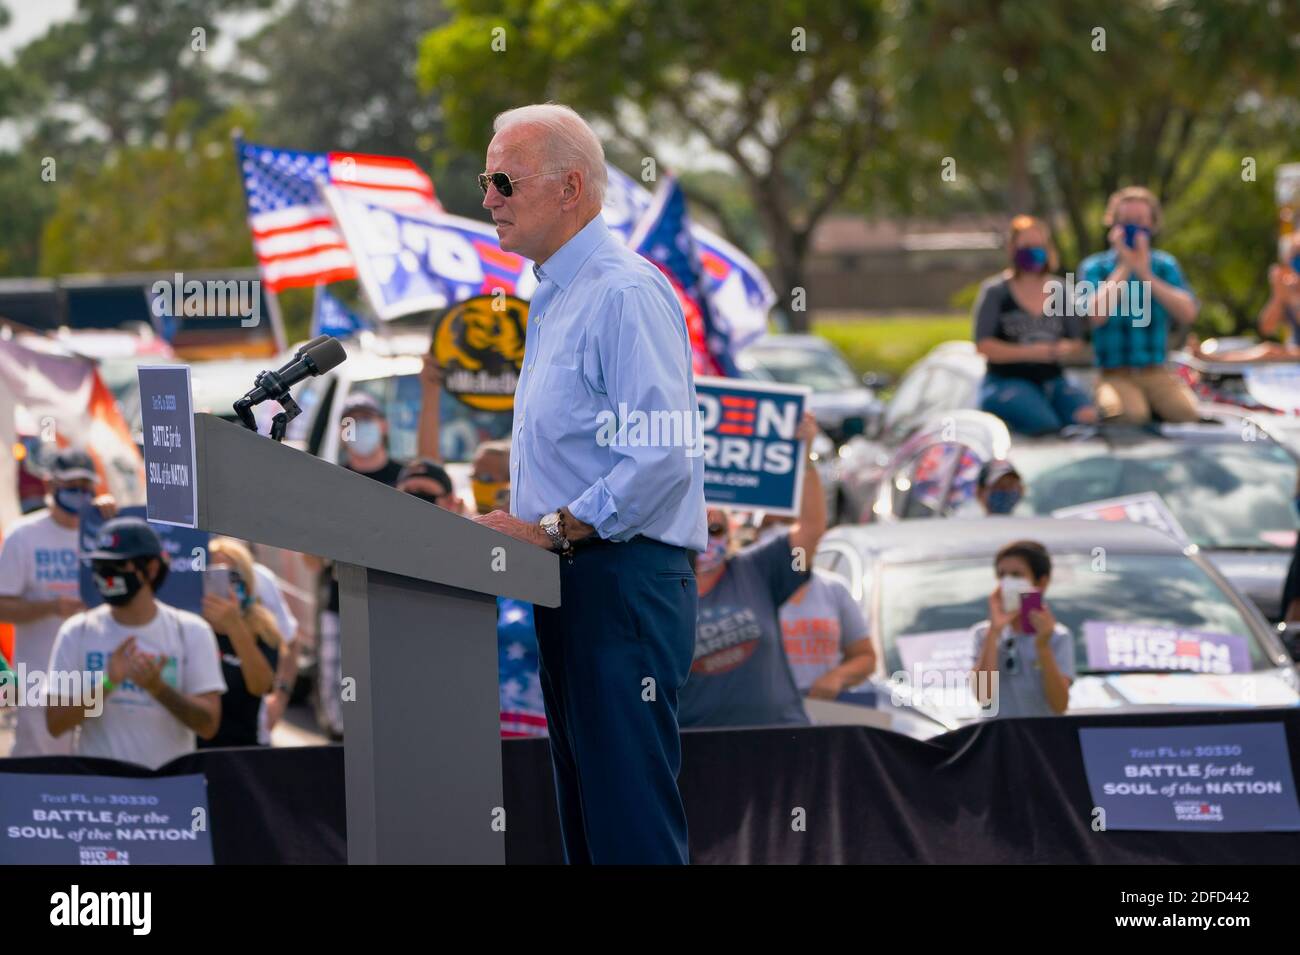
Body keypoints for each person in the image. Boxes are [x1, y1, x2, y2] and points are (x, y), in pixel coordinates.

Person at [472, 103, 706, 865]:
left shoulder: (622, 292)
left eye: (504, 180)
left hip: (620, 579)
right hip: (572, 578)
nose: (489, 199)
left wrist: (550, 528)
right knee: (591, 828)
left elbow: (661, 455)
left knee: (629, 831)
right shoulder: (551, 293)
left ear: (570, 187)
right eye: (487, 181)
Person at [679, 412, 826, 727]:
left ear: (730, 532)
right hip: (698, 752)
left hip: (779, 740)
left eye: (715, 528)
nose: (705, 539)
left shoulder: (756, 569)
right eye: (696, 528)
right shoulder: (660, 586)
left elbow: (811, 529)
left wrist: (807, 459)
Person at [46, 517, 225, 769]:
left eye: (117, 565)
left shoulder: (191, 631)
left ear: (151, 569)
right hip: (99, 792)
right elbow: (55, 723)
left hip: (168, 791)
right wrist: (108, 683)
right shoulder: (77, 631)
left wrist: (158, 688)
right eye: (99, 565)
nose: (105, 575)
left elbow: (208, 725)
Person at [0, 450, 116, 756]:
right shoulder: (23, 535)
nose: (79, 492)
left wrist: (115, 519)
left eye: (85, 484)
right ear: (51, 485)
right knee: (41, 764)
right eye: (71, 483)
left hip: (97, 675)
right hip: (40, 678)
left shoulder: (104, 530)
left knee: (94, 761)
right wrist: (51, 608)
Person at [311, 391, 408, 739]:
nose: (360, 428)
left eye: (368, 419)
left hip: (396, 603)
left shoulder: (407, 478)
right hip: (342, 602)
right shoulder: (330, 482)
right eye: (351, 421)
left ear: (383, 425)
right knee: (341, 706)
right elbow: (310, 555)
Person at [1078, 186, 1201, 425]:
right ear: (1112, 225)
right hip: (1114, 374)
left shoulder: (1165, 265)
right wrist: (1125, 265)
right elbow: (1095, 315)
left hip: (1155, 372)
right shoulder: (1095, 267)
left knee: (1186, 414)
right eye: (1125, 221)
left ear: (1152, 225)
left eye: (1140, 220)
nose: (1132, 227)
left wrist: (1145, 273)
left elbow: (1188, 313)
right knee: (1130, 415)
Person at [974, 215, 1096, 434]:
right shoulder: (995, 292)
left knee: (1087, 418)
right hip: (1007, 381)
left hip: (1053, 380)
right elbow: (984, 346)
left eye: (1039, 246)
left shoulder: (1061, 289)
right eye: (1027, 246)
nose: (1034, 251)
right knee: (1045, 424)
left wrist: (1064, 349)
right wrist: (1031, 352)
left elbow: (1077, 340)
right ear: (1012, 248)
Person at [970, 540, 1074, 718]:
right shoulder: (984, 634)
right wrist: (994, 632)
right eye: (1002, 575)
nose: (1007, 582)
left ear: (1041, 583)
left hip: (1040, 739)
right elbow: (984, 697)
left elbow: (1059, 705)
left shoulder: (1057, 636)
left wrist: (1042, 646)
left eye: (1017, 575)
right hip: (998, 739)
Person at [198, 538, 284, 749]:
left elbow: (261, 686)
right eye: (215, 575)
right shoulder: (188, 626)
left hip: (240, 752)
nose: (225, 585)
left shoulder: (262, 627)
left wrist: (234, 626)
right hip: (191, 751)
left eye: (233, 576)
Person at [779, 569, 875, 700]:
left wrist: (838, 676)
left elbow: (865, 656)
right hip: (763, 713)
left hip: (823, 709)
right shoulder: (751, 589)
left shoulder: (834, 589)